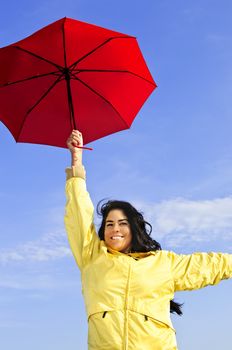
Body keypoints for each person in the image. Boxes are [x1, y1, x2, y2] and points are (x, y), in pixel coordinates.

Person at [64, 130, 232, 350]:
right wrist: (76, 160)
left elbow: (208, 265)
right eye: (109, 224)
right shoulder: (92, 257)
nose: (115, 229)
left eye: (122, 223)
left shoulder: (162, 263)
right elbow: (78, 213)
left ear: (134, 228)